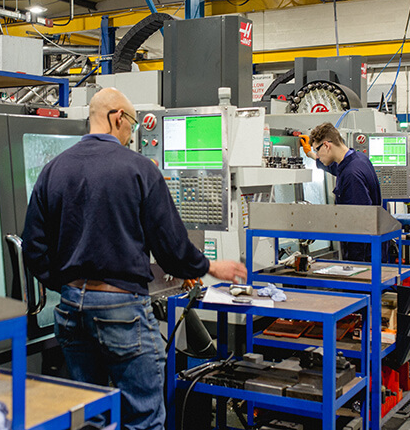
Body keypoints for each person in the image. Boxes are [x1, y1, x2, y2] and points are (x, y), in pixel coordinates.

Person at [22, 88, 246, 430]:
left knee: (92, 417)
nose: (131, 134)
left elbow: (32, 246)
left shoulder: (53, 169)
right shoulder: (140, 169)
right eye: (131, 125)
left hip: (69, 312)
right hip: (121, 309)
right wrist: (211, 266)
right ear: (116, 118)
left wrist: (65, 284)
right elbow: (170, 248)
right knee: (142, 417)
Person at [300, 123, 382, 262]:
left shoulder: (351, 175)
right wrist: (311, 155)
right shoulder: (358, 159)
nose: (318, 155)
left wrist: (355, 262)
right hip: (371, 248)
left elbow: (359, 222)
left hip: (363, 253)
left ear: (326, 145)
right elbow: (337, 168)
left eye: (317, 150)